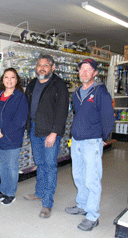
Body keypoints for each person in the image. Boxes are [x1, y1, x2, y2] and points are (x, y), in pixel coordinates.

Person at [65, 58, 115, 231]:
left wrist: (103, 137)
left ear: (95, 73)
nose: (84, 72)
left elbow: (108, 116)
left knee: (92, 179)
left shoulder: (100, 91)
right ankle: (82, 205)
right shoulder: (76, 93)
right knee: (78, 176)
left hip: (92, 141)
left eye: (88, 69)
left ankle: (92, 215)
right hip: (77, 141)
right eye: (81, 69)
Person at [24, 54, 69, 218]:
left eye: (46, 65)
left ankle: (47, 203)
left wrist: (54, 132)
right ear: (36, 67)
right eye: (39, 65)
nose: (42, 68)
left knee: (50, 166)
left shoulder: (59, 85)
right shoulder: (32, 84)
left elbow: (62, 110)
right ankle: (40, 192)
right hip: (35, 129)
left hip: (50, 131)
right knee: (40, 163)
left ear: (53, 67)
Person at [0, 68, 28, 205]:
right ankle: (3, 190)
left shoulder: (20, 97)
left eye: (12, 78)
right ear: (2, 80)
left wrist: (3, 131)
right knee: (3, 165)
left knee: (11, 166)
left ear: (17, 80)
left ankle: (10, 193)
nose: (9, 80)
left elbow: (20, 120)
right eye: (6, 77)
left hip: (11, 138)